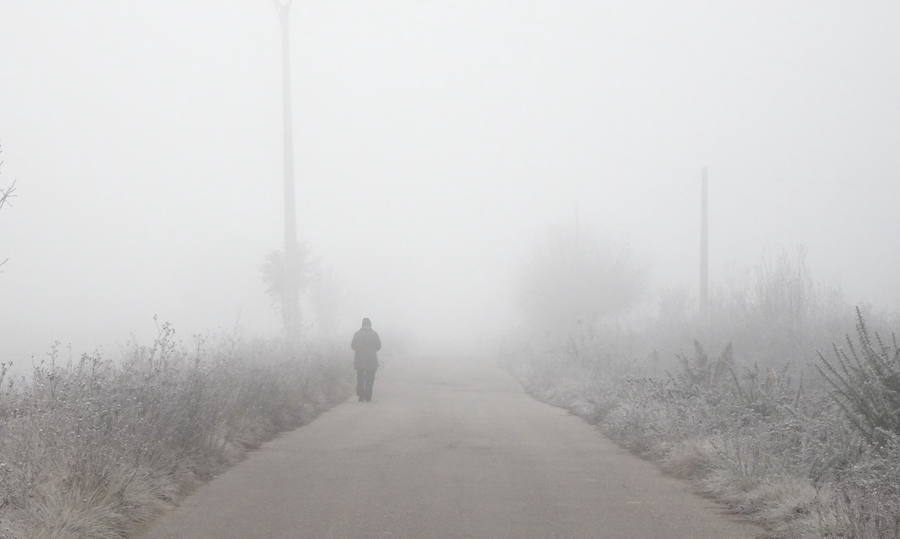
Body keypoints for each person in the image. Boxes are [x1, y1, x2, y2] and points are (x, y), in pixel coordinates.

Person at [351, 317, 381, 402]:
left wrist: (359, 349)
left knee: (360, 378)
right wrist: (372, 350)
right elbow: (379, 346)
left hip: (359, 360)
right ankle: (368, 396)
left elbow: (352, 346)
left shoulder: (357, 334)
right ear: (370, 324)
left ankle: (361, 396)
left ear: (362, 324)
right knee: (370, 378)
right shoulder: (374, 334)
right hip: (371, 360)